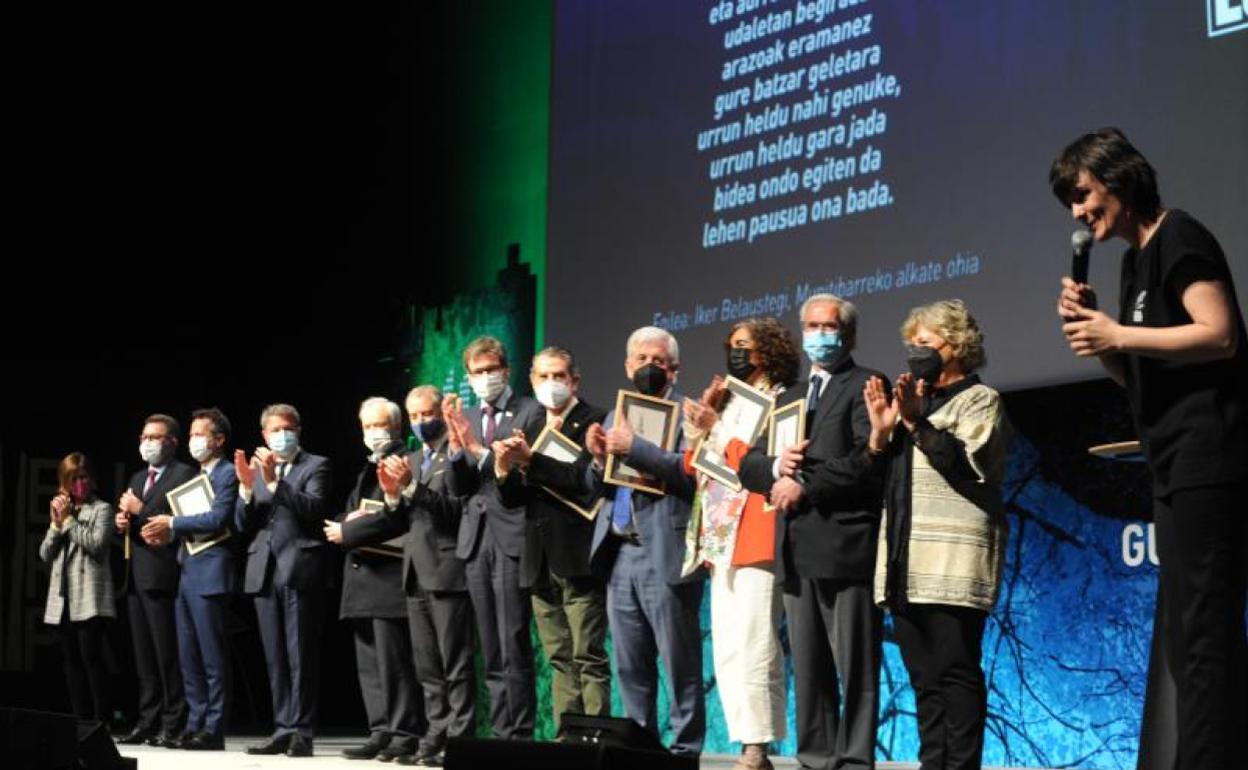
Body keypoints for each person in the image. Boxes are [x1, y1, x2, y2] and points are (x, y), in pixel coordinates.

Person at [1052, 127, 1248, 770]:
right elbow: (1139, 373)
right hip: (1171, 464)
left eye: (1082, 195)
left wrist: (1119, 332)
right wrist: (1100, 338)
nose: (1079, 214)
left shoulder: (1178, 237)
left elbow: (1219, 335)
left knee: (1203, 641)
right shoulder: (1134, 261)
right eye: (1071, 206)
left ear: (1119, 176)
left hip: (1209, 458)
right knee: (1186, 640)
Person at [736, 294, 886, 770]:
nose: (819, 334)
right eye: (811, 325)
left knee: (855, 668)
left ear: (848, 334)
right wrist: (777, 466)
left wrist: (803, 488)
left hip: (844, 545)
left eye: (828, 326)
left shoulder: (867, 384)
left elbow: (865, 461)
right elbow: (751, 464)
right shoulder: (789, 396)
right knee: (809, 668)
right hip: (796, 551)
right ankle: (816, 760)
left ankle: (855, 762)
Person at [863, 300, 1011, 770]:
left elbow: (970, 466)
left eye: (925, 343)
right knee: (924, 682)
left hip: (951, 566)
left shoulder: (980, 400)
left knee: (955, 674)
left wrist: (914, 422)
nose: (915, 352)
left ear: (957, 345)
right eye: (911, 343)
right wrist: (881, 433)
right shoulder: (914, 406)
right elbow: (880, 482)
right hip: (905, 566)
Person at [680, 317, 800, 770]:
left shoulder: (782, 400)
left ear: (767, 352)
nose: (736, 353)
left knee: (755, 641)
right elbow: (698, 469)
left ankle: (758, 746)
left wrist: (716, 429)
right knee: (728, 645)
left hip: (757, 530)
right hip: (720, 536)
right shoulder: (728, 400)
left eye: (744, 346)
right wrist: (700, 426)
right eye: (731, 345)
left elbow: (756, 464)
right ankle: (745, 742)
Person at [583, 325, 706, 756]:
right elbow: (595, 486)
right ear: (627, 365)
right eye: (642, 360)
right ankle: (640, 750)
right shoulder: (613, 416)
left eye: (659, 362)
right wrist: (599, 460)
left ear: (674, 370)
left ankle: (685, 751)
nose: (649, 368)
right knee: (630, 665)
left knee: (680, 664)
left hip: (666, 551)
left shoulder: (689, 416)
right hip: (620, 553)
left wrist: (635, 449)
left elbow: (693, 475)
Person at [493, 347, 610, 731]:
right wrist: (502, 471)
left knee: (588, 655)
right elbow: (514, 499)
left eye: (558, 376)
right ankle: (567, 739)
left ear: (574, 380)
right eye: (543, 377)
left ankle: (595, 739)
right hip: (539, 558)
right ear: (531, 380)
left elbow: (583, 481)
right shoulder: (529, 424)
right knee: (559, 657)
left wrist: (530, 462)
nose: (551, 384)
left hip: (577, 556)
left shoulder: (594, 420)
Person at [442, 336, 544, 739]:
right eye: (478, 372)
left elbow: (518, 479)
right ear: (468, 376)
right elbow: (458, 487)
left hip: (511, 535)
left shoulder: (529, 412)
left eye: (492, 370)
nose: (486, 378)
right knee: (491, 646)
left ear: (507, 370)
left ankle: (519, 736)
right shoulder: (466, 416)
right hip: (475, 539)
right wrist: (454, 450)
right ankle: (500, 734)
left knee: (513, 640)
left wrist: (471, 446)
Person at [324, 397, 421, 761]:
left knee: (395, 664)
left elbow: (395, 518)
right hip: (361, 579)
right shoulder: (367, 467)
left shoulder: (404, 462)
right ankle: (380, 729)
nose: (374, 433)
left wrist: (348, 531)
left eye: (381, 425)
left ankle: (403, 732)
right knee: (371, 665)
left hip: (389, 577)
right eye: (367, 427)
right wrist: (343, 525)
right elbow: (352, 510)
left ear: (397, 427)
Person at [382, 385, 475, 767]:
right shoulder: (414, 457)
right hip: (415, 571)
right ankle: (435, 732)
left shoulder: (455, 457)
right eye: (415, 417)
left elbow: (454, 511)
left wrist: (411, 488)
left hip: (447, 568)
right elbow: (405, 517)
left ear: (441, 411)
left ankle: (460, 739)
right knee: (427, 666)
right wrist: (393, 495)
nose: (421, 422)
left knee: (455, 663)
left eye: (427, 414)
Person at [234, 403, 332, 757]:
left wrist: (276, 483)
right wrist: (247, 489)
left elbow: (314, 508)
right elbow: (244, 524)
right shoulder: (258, 470)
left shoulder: (316, 465)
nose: (282, 435)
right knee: (275, 655)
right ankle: (282, 727)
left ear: (299, 430)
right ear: (264, 435)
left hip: (299, 567)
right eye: (275, 430)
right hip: (264, 569)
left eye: (288, 428)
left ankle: (302, 731)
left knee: (300, 654)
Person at [140, 407, 240, 750]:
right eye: (194, 434)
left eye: (201, 434)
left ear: (219, 439)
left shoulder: (227, 474)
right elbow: (187, 525)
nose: (195, 440)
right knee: (189, 657)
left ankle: (213, 728)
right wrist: (166, 532)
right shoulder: (196, 478)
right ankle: (194, 723)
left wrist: (171, 524)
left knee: (212, 656)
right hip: (188, 572)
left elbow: (218, 518)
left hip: (212, 572)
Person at [114, 414, 197, 747]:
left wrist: (141, 508)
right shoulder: (138, 476)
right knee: (144, 656)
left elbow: (184, 522)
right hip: (135, 575)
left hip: (164, 574)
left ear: (172, 442)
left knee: (166, 655)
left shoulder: (185, 475)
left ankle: (173, 722)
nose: (147, 442)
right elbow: (133, 523)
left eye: (155, 437)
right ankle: (147, 720)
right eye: (144, 436)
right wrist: (121, 523)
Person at [40, 452, 115, 725]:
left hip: (89, 596)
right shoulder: (63, 513)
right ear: (64, 484)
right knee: (70, 661)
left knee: (91, 657)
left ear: (93, 480)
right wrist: (55, 524)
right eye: (73, 480)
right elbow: (45, 554)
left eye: (83, 478)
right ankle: (80, 719)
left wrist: (69, 521)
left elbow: (96, 545)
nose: (79, 484)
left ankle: (101, 720)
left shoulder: (102, 509)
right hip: (63, 598)